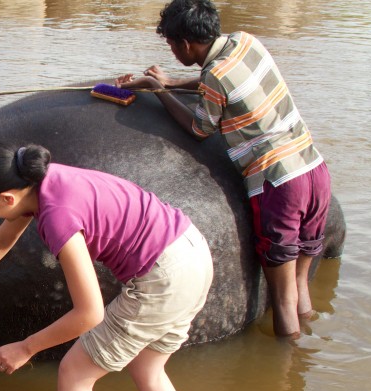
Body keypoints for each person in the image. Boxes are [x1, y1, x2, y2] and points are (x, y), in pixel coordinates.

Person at [0, 142, 213, 391]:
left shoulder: (57, 217)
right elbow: (6, 236)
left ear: (6, 198)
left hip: (163, 277)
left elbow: (90, 313)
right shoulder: (42, 180)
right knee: (148, 369)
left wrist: (25, 348)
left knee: (75, 373)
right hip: (192, 252)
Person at [116, 0, 331, 338]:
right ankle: (312, 354)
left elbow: (200, 128)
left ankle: (286, 380)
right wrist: (173, 82)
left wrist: (159, 90)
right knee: (300, 285)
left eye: (172, 45)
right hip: (313, 170)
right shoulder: (245, 41)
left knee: (282, 300)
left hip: (279, 183)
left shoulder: (215, 74)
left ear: (185, 43)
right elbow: (219, 84)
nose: (173, 51)